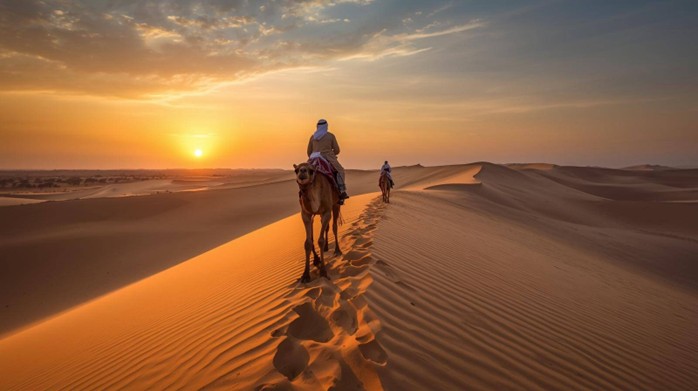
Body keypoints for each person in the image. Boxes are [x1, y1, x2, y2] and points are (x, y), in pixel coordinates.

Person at [307, 119, 349, 204]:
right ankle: (341, 192)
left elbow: (309, 152)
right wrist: (331, 153)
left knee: (307, 172)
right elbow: (337, 150)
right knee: (340, 170)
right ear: (326, 126)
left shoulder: (313, 137)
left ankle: (303, 192)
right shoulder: (330, 136)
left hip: (313, 158)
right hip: (327, 157)